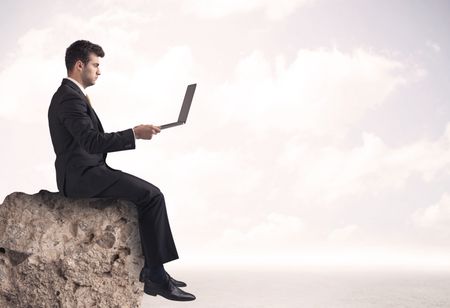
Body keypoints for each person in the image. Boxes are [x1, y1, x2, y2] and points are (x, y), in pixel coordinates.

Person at [47, 40, 195, 302]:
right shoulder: (68, 98)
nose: (99, 71)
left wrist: (134, 133)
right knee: (152, 195)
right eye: (95, 65)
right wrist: (133, 134)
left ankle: (155, 272)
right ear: (79, 65)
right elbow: (91, 141)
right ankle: (155, 276)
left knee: (148, 194)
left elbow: (90, 140)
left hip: (90, 171)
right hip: (81, 178)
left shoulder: (72, 96)